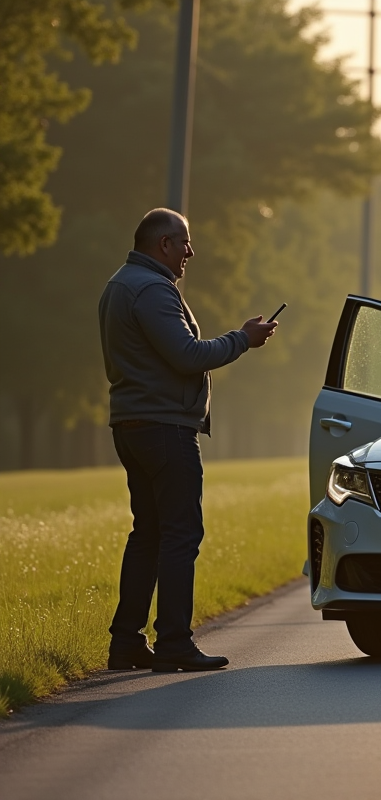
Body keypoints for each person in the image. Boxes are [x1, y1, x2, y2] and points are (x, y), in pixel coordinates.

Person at [99, 208, 277, 672]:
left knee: (149, 534)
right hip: (164, 429)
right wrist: (243, 339)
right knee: (181, 534)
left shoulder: (118, 285)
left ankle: (126, 644)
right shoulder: (152, 289)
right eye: (184, 242)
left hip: (132, 426)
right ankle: (174, 642)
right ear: (162, 244)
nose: (189, 252)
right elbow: (187, 356)